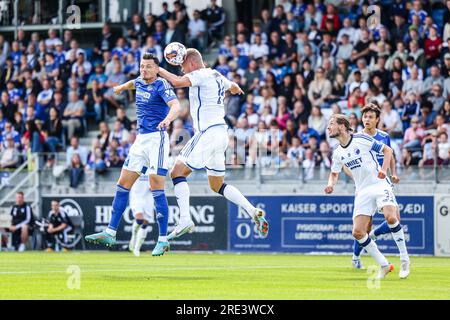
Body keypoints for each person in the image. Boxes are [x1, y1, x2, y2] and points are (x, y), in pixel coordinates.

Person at [158, 48, 268, 240]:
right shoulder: (216, 74)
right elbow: (232, 85)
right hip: (221, 134)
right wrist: (236, 88)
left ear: (192, 63)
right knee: (217, 185)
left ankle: (184, 219)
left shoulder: (199, 74)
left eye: (183, 65)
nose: (182, 69)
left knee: (176, 172)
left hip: (207, 133)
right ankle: (252, 211)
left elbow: (176, 82)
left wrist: (157, 68)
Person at [84, 53, 180, 257]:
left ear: (156, 69)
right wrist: (120, 87)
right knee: (122, 184)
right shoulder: (139, 81)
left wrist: (168, 120)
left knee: (156, 187)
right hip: (140, 140)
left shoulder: (162, 85)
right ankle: (110, 232)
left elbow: (176, 106)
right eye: (141, 66)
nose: (143, 69)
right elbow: (131, 83)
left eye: (148, 67)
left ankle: (163, 239)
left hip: (157, 139)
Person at [324, 114, 408, 280]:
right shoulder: (337, 153)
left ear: (342, 126)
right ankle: (384, 265)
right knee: (358, 232)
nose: (328, 128)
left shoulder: (361, 138)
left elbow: (387, 150)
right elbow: (334, 173)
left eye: (331, 124)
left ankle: (405, 260)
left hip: (379, 184)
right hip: (362, 191)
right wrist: (331, 185)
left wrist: (384, 170)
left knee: (391, 218)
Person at [350, 104, 409, 277]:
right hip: (364, 186)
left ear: (377, 120)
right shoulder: (356, 138)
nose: (367, 119)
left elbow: (389, 155)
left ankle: (401, 258)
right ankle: (355, 257)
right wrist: (356, 178)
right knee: (364, 228)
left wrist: (394, 173)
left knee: (394, 218)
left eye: (370, 117)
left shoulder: (384, 136)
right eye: (365, 116)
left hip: (383, 182)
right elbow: (348, 162)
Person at [128, 174, 155, 257]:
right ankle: (134, 234)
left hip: (148, 197)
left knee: (145, 223)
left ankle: (137, 248)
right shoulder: (137, 162)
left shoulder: (153, 165)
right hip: (137, 196)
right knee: (139, 220)